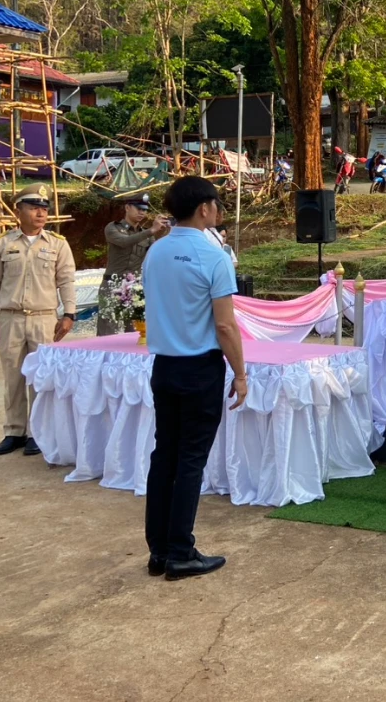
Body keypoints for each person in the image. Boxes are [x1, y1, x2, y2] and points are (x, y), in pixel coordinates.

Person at [141, 175, 247, 581]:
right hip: (199, 367)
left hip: (164, 366)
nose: (219, 211)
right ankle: (181, 550)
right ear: (204, 208)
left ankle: (160, 551)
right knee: (189, 461)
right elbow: (225, 327)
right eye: (217, 204)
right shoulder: (213, 256)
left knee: (164, 456)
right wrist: (240, 373)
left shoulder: (156, 251)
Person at [0, 184, 77, 457]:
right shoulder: (2, 243)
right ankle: (14, 432)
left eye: (44, 209)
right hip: (10, 318)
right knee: (12, 377)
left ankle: (38, 432)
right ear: (18, 210)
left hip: (44, 318)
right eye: (34, 208)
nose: (41, 213)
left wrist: (69, 313)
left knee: (40, 379)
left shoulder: (58, 244)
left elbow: (66, 280)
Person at [97, 194, 169, 336]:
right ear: (127, 207)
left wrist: (169, 232)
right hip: (112, 285)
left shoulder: (146, 234)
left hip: (134, 289)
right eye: (138, 209)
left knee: (136, 332)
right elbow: (124, 242)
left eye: (144, 210)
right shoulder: (113, 228)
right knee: (108, 331)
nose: (142, 213)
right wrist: (151, 231)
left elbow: (157, 255)